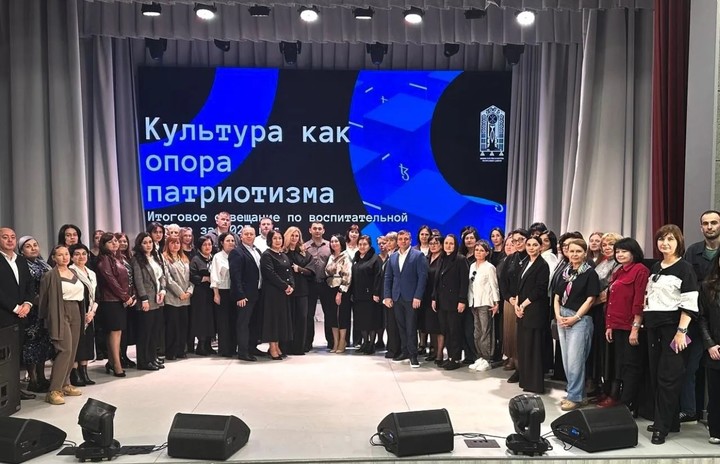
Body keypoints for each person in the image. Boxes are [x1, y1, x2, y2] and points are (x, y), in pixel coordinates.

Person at [644, 224, 698, 445]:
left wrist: (681, 331)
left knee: (669, 377)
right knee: (657, 376)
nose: (665, 243)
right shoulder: (656, 266)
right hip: (653, 328)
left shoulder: (685, 268)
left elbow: (690, 302)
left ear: (679, 242)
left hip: (674, 330)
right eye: (661, 239)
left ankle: (661, 427)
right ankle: (670, 421)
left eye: (670, 239)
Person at [599, 238, 649, 409]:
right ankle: (619, 399)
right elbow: (611, 301)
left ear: (633, 252)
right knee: (619, 365)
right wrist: (609, 325)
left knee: (631, 366)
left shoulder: (640, 270)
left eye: (624, 251)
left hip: (630, 326)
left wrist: (635, 328)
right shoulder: (619, 271)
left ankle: (628, 404)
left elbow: (639, 301)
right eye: (618, 251)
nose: (620, 254)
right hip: (616, 325)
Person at [681, 210, 720, 424]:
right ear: (701, 227)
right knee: (691, 368)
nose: (710, 227)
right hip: (696, 317)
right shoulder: (693, 251)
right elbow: (687, 283)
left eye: (714, 222)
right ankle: (691, 411)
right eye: (706, 223)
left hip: (717, 317)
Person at [553, 238, 600, 411]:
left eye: (578, 251)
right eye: (571, 251)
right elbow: (557, 296)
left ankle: (574, 397)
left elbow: (590, 299)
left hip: (580, 319)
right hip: (562, 316)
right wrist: (558, 315)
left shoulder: (590, 273)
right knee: (567, 360)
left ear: (584, 253)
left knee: (575, 361)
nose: (574, 254)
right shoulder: (566, 272)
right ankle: (579, 394)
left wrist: (576, 317)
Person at [38, 246, 84, 405]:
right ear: (53, 258)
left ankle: (65, 384)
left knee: (73, 350)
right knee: (65, 350)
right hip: (59, 310)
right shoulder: (50, 275)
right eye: (60, 254)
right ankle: (54, 390)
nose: (64, 257)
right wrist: (47, 318)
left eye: (66, 254)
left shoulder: (74, 272)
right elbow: (43, 299)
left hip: (75, 310)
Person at [384, 230, 429, 368]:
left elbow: (422, 278)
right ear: (397, 241)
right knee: (401, 327)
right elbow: (388, 277)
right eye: (400, 239)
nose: (403, 241)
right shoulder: (393, 257)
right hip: (397, 297)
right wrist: (387, 296)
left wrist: (418, 296)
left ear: (410, 240)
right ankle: (405, 352)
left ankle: (413, 355)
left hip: (411, 298)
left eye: (406, 239)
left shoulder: (418, 255)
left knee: (411, 327)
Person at [17, 236, 54, 393]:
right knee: (31, 345)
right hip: (31, 309)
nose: (33, 248)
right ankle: (32, 380)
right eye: (28, 246)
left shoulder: (42, 263)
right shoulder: (21, 264)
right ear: (21, 251)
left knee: (43, 343)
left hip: (45, 309)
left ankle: (42, 377)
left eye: (35, 245)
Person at [587, 232, 622, 398]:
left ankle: (610, 391)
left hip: (607, 309)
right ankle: (598, 385)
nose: (607, 247)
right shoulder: (603, 262)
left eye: (611, 244)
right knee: (598, 350)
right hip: (596, 310)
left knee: (608, 352)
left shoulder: (619, 264)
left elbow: (609, 292)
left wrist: (589, 303)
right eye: (604, 245)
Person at [513, 236, 550, 393]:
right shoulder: (526, 262)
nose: (531, 247)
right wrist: (516, 304)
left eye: (535, 245)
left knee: (533, 348)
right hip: (523, 310)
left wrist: (523, 305)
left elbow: (539, 290)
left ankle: (535, 384)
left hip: (535, 311)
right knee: (524, 347)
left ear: (540, 247)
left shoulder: (542, 265)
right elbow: (519, 287)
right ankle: (526, 380)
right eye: (528, 244)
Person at [96, 232, 135, 377]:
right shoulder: (105, 259)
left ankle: (112, 362)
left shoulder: (117, 257)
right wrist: (125, 296)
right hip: (110, 301)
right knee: (114, 332)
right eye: (110, 242)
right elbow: (111, 281)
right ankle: (116, 364)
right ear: (103, 245)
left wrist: (129, 295)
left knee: (116, 332)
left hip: (119, 300)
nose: (114, 243)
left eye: (115, 241)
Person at [432, 234, 469, 370]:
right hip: (442, 302)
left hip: (455, 302)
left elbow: (464, 282)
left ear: (455, 245)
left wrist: (462, 300)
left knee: (455, 331)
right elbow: (437, 281)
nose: (448, 246)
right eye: (446, 243)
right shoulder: (442, 259)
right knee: (446, 330)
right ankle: (450, 357)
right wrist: (434, 298)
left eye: (451, 243)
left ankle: (455, 358)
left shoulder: (460, 259)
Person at [131, 233, 166, 371]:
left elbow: (162, 276)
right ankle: (143, 361)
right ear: (140, 244)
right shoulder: (137, 259)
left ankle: (152, 358)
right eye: (145, 242)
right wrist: (144, 299)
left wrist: (163, 290)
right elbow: (138, 281)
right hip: (146, 299)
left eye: (150, 242)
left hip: (158, 298)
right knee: (145, 332)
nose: (148, 245)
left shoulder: (155, 257)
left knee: (154, 331)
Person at [229, 226, 262, 362]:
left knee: (254, 323)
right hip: (245, 296)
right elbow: (235, 276)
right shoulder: (237, 252)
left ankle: (252, 347)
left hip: (257, 293)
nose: (249, 236)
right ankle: (243, 351)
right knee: (243, 324)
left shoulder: (257, 251)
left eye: (251, 234)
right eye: (246, 234)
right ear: (241, 236)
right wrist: (240, 295)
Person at [500, 229, 530, 378]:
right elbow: (503, 281)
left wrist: (520, 299)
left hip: (526, 303)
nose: (517, 243)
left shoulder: (531, 258)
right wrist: (509, 297)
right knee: (510, 335)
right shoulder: (510, 258)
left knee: (521, 336)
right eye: (514, 241)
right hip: (510, 302)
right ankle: (515, 363)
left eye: (520, 240)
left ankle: (523, 369)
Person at [261, 230, 294, 360]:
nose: (278, 240)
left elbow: (289, 272)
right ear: (270, 240)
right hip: (272, 293)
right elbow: (270, 274)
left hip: (283, 293)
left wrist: (291, 285)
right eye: (275, 238)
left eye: (280, 238)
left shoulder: (283, 255)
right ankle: (272, 348)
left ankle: (277, 346)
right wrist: (285, 286)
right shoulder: (267, 255)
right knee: (272, 321)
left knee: (280, 320)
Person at [698, 251, 720, 444]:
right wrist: (710, 344)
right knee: (715, 393)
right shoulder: (707, 286)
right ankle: (716, 430)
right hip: (715, 347)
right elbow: (702, 318)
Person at [468, 240, 500, 372]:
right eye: (477, 250)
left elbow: (494, 285)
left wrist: (496, 303)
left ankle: (487, 358)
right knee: (477, 332)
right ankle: (480, 357)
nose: (478, 252)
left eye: (481, 250)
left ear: (487, 253)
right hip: (474, 302)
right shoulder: (472, 266)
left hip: (485, 302)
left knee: (486, 331)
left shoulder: (489, 267)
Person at [69, 244, 98, 386]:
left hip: (89, 313)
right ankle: (75, 374)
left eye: (84, 254)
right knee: (77, 343)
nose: (81, 257)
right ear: (71, 257)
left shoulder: (91, 273)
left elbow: (97, 295)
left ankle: (84, 372)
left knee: (86, 342)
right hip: (76, 312)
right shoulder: (70, 272)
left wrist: (92, 312)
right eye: (77, 254)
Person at [163, 236, 193, 360]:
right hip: (172, 298)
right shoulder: (164, 258)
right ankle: (171, 351)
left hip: (186, 298)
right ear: (168, 244)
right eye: (173, 243)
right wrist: (180, 293)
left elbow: (191, 278)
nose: (176, 245)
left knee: (183, 326)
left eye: (178, 243)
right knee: (172, 327)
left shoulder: (184, 258)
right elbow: (168, 279)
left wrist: (189, 292)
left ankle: (181, 350)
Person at [284, 226, 313, 356]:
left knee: (302, 318)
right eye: (292, 235)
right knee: (288, 319)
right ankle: (286, 346)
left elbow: (311, 271)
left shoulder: (304, 253)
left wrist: (299, 269)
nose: (294, 238)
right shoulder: (282, 252)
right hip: (286, 290)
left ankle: (299, 347)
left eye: (297, 236)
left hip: (302, 290)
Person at [351, 235, 382, 355]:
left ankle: (371, 344)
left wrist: (376, 293)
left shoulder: (375, 259)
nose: (362, 247)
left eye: (365, 244)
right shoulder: (356, 258)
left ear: (369, 245)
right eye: (360, 244)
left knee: (371, 321)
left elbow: (378, 277)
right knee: (361, 321)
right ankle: (365, 343)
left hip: (371, 297)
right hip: (358, 296)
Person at [303, 222, 333, 351]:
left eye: (319, 228)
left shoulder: (330, 246)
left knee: (329, 314)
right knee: (308, 315)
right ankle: (307, 343)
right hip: (309, 284)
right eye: (314, 228)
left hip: (326, 284)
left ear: (323, 231)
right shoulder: (304, 246)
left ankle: (331, 342)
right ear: (310, 230)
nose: (317, 231)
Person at [325, 234, 352, 353]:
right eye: (332, 241)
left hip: (341, 289)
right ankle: (335, 342)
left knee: (342, 316)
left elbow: (347, 276)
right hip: (330, 288)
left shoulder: (345, 256)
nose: (334, 243)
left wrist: (340, 292)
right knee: (332, 317)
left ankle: (342, 341)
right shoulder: (331, 257)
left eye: (336, 241)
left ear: (341, 243)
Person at [210, 233, 236, 357]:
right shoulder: (218, 257)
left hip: (234, 291)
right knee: (223, 322)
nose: (231, 243)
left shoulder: (236, 255)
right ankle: (224, 349)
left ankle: (233, 348)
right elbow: (214, 275)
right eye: (228, 240)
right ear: (222, 242)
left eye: (232, 240)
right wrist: (216, 294)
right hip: (222, 291)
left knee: (233, 320)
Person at [189, 236, 215, 356]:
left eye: (209, 244)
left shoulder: (214, 258)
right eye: (205, 245)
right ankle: (201, 345)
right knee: (201, 319)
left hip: (212, 292)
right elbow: (191, 276)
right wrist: (204, 278)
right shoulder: (196, 259)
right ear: (200, 247)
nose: (207, 247)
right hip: (200, 293)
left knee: (211, 318)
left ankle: (209, 344)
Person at [422, 235, 443, 363]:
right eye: (431, 243)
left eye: (436, 243)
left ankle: (440, 354)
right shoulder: (426, 258)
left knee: (439, 327)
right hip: (426, 296)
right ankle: (433, 350)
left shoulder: (443, 259)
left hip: (439, 297)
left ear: (441, 245)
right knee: (430, 326)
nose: (433, 245)